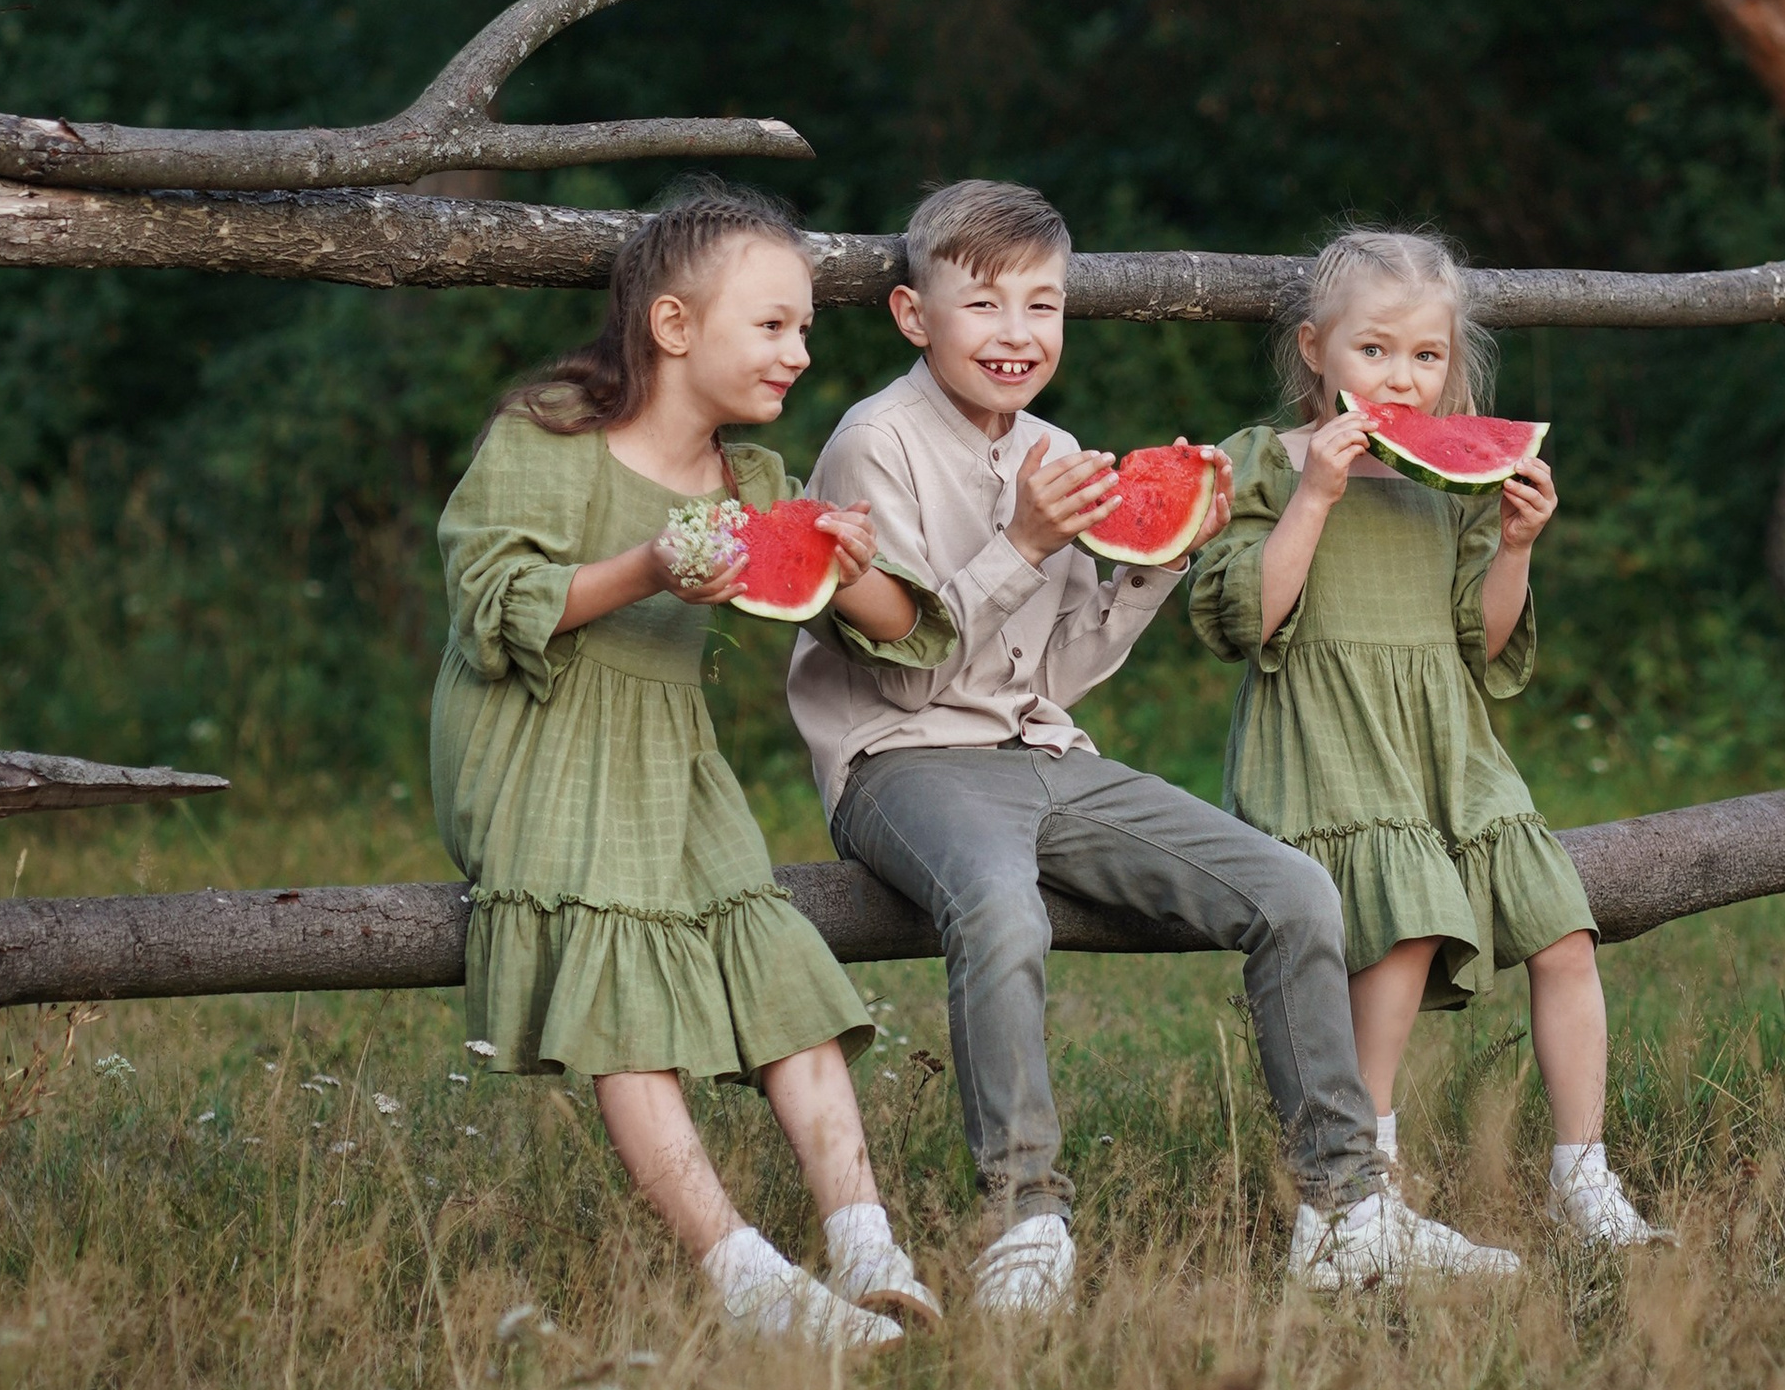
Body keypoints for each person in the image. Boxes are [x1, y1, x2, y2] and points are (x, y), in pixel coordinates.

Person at [790, 179, 1480, 1312]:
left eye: (1042, 306)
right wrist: (1023, 541)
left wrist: (1160, 562)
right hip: (902, 760)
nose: (1016, 333)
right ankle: (1025, 1219)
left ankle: (1343, 1209)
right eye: (984, 305)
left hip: (1045, 752)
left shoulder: (1055, 448)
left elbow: (1055, 674)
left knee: (1293, 891)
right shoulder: (874, 443)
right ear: (915, 315)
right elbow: (908, 671)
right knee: (1001, 908)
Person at [431, 187, 955, 1346]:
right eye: (771, 325)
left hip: (669, 748)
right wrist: (648, 567)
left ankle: (866, 1243)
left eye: (804, 327)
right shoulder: (548, 435)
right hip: (538, 738)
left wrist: (853, 563)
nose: (799, 351)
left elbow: (896, 628)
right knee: (624, 991)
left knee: (778, 964)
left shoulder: (754, 481)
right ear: (672, 325)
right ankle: (747, 1280)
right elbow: (489, 605)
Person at [1189, 225, 1669, 1251]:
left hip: (1450, 746)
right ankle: (1366, 1193)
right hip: (1327, 749)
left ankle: (1583, 1178)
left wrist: (1518, 545)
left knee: (1565, 935)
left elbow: (1481, 643)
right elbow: (1248, 620)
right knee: (1403, 930)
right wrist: (1316, 495)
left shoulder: (1454, 485)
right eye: (1373, 350)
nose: (1400, 378)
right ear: (1314, 348)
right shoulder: (1264, 461)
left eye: (1426, 355)